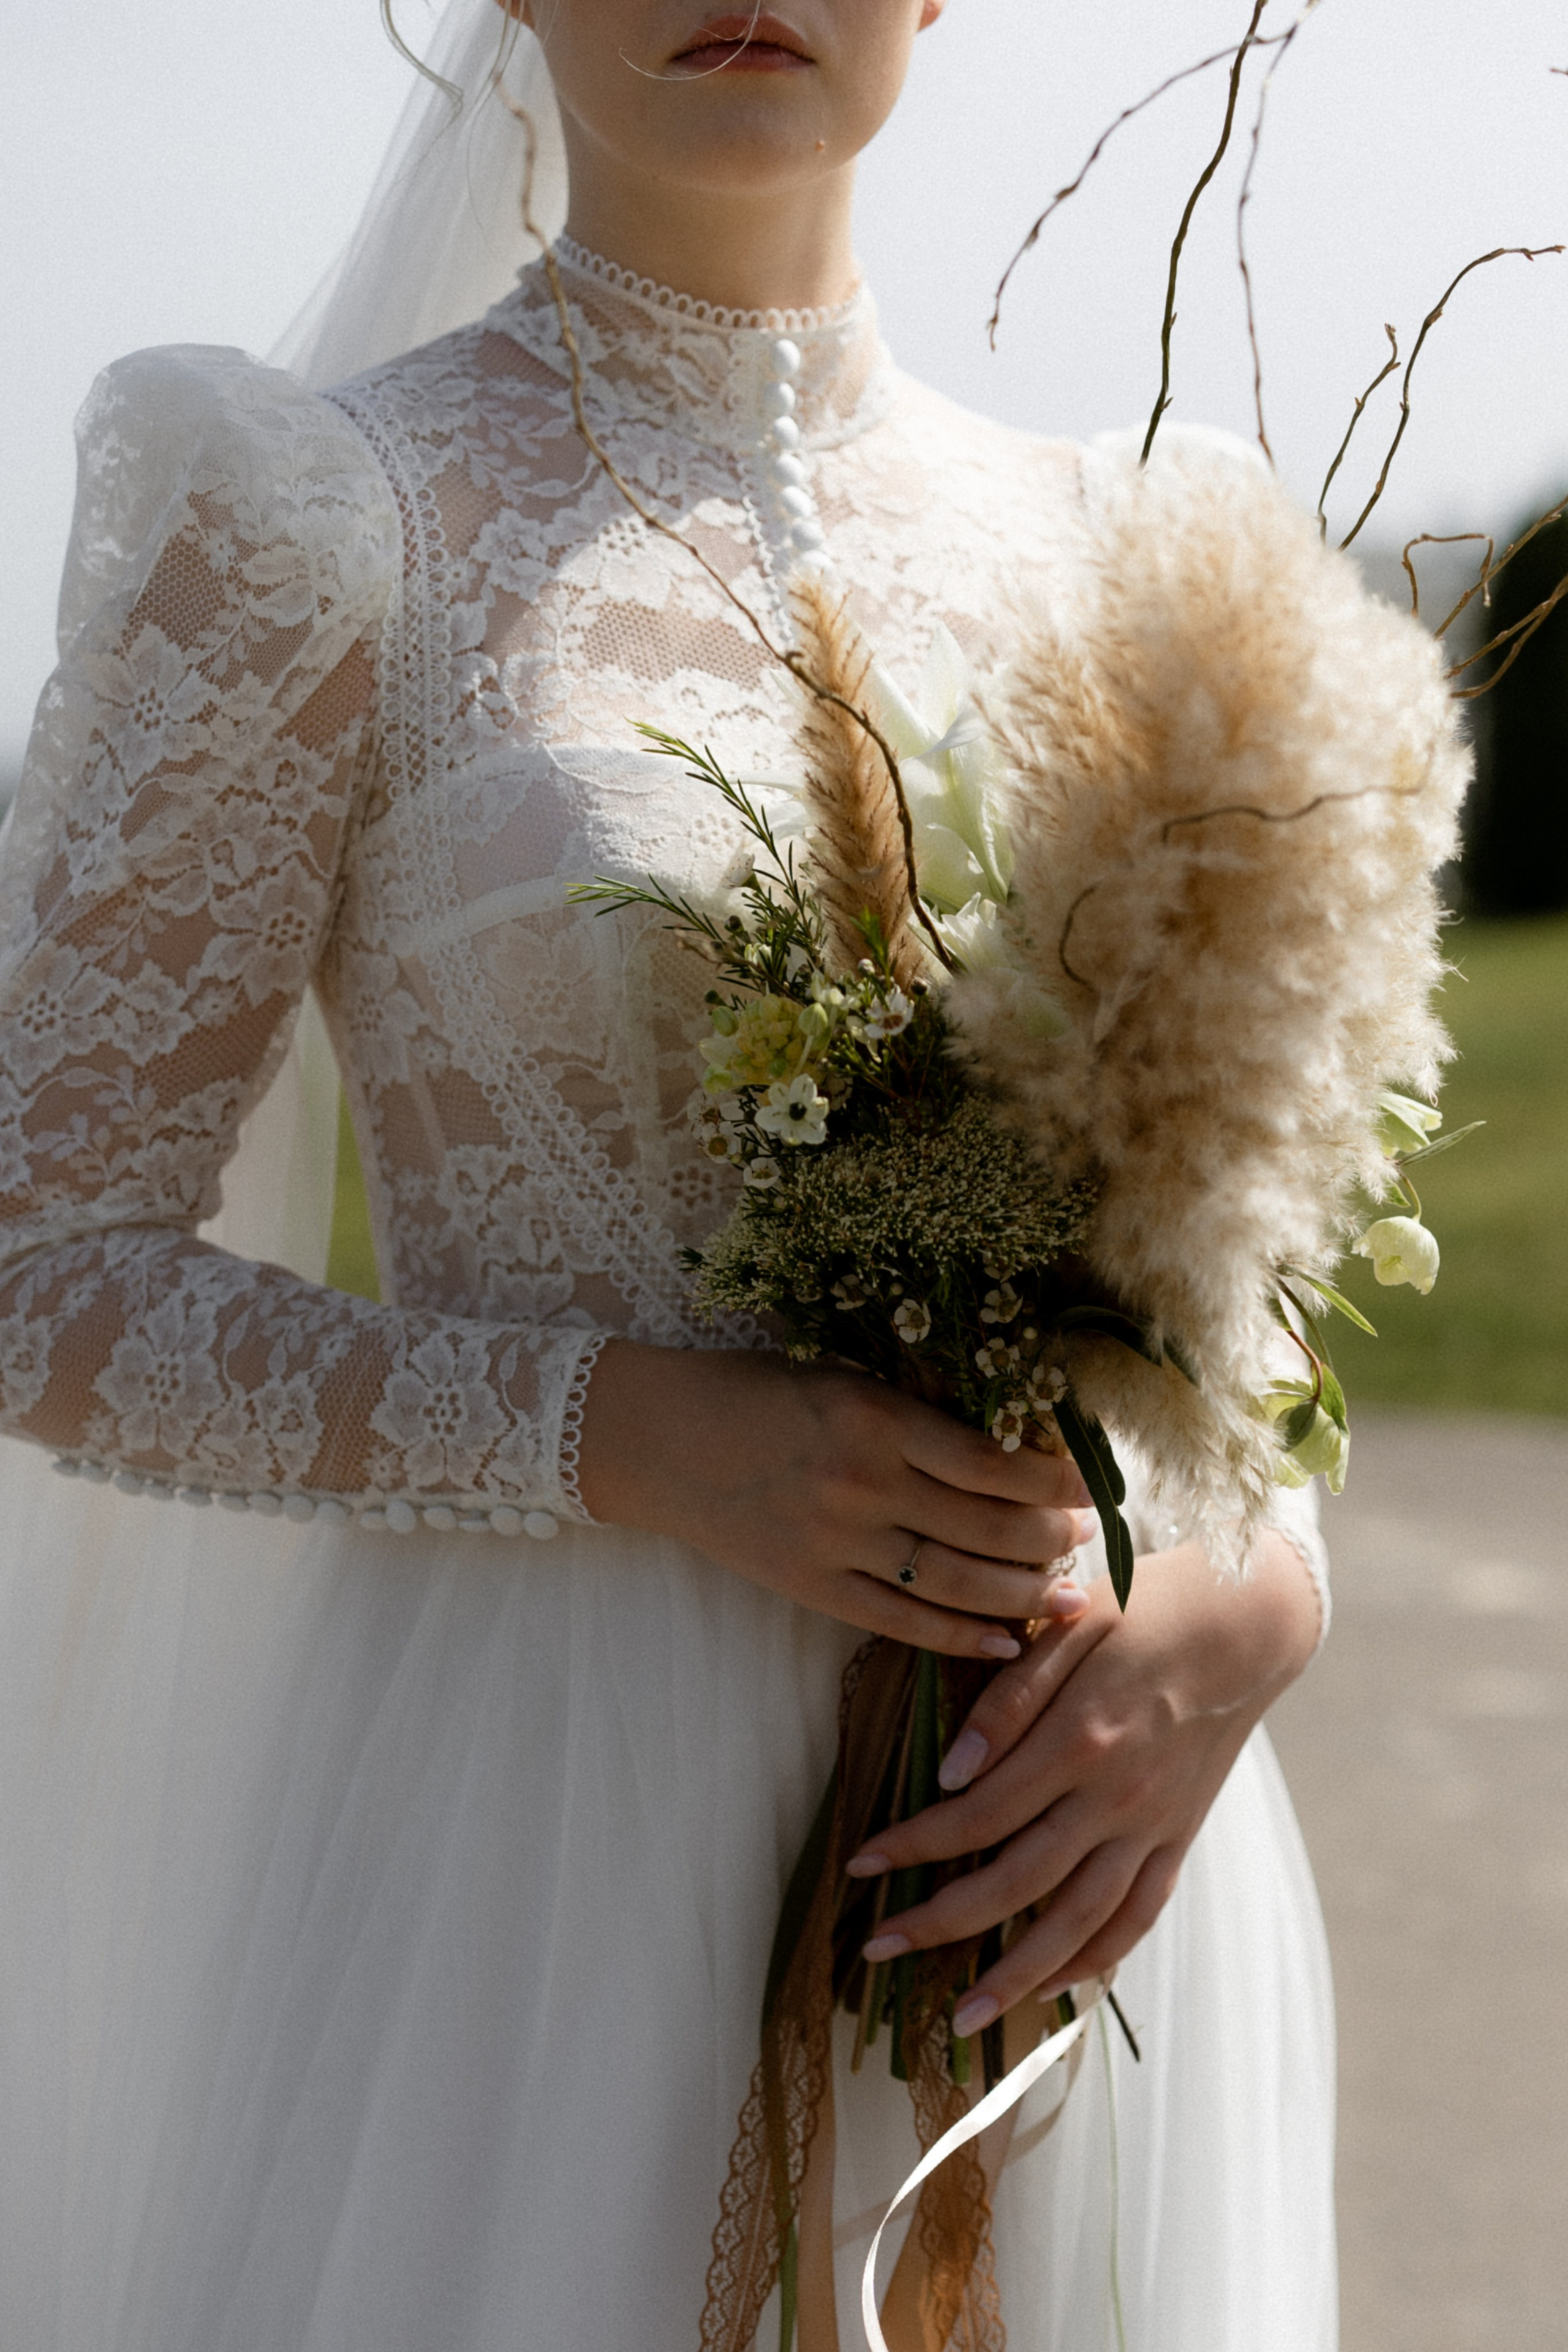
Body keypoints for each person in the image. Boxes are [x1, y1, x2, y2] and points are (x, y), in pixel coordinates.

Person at [0, 4, 1336, 2345]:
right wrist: (621, 1432)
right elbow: (45, 1276)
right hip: (542, 1865)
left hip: (1067, 1830)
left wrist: (1259, 1596)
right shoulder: (317, 514)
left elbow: (1248, 1258)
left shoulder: (1150, 552)